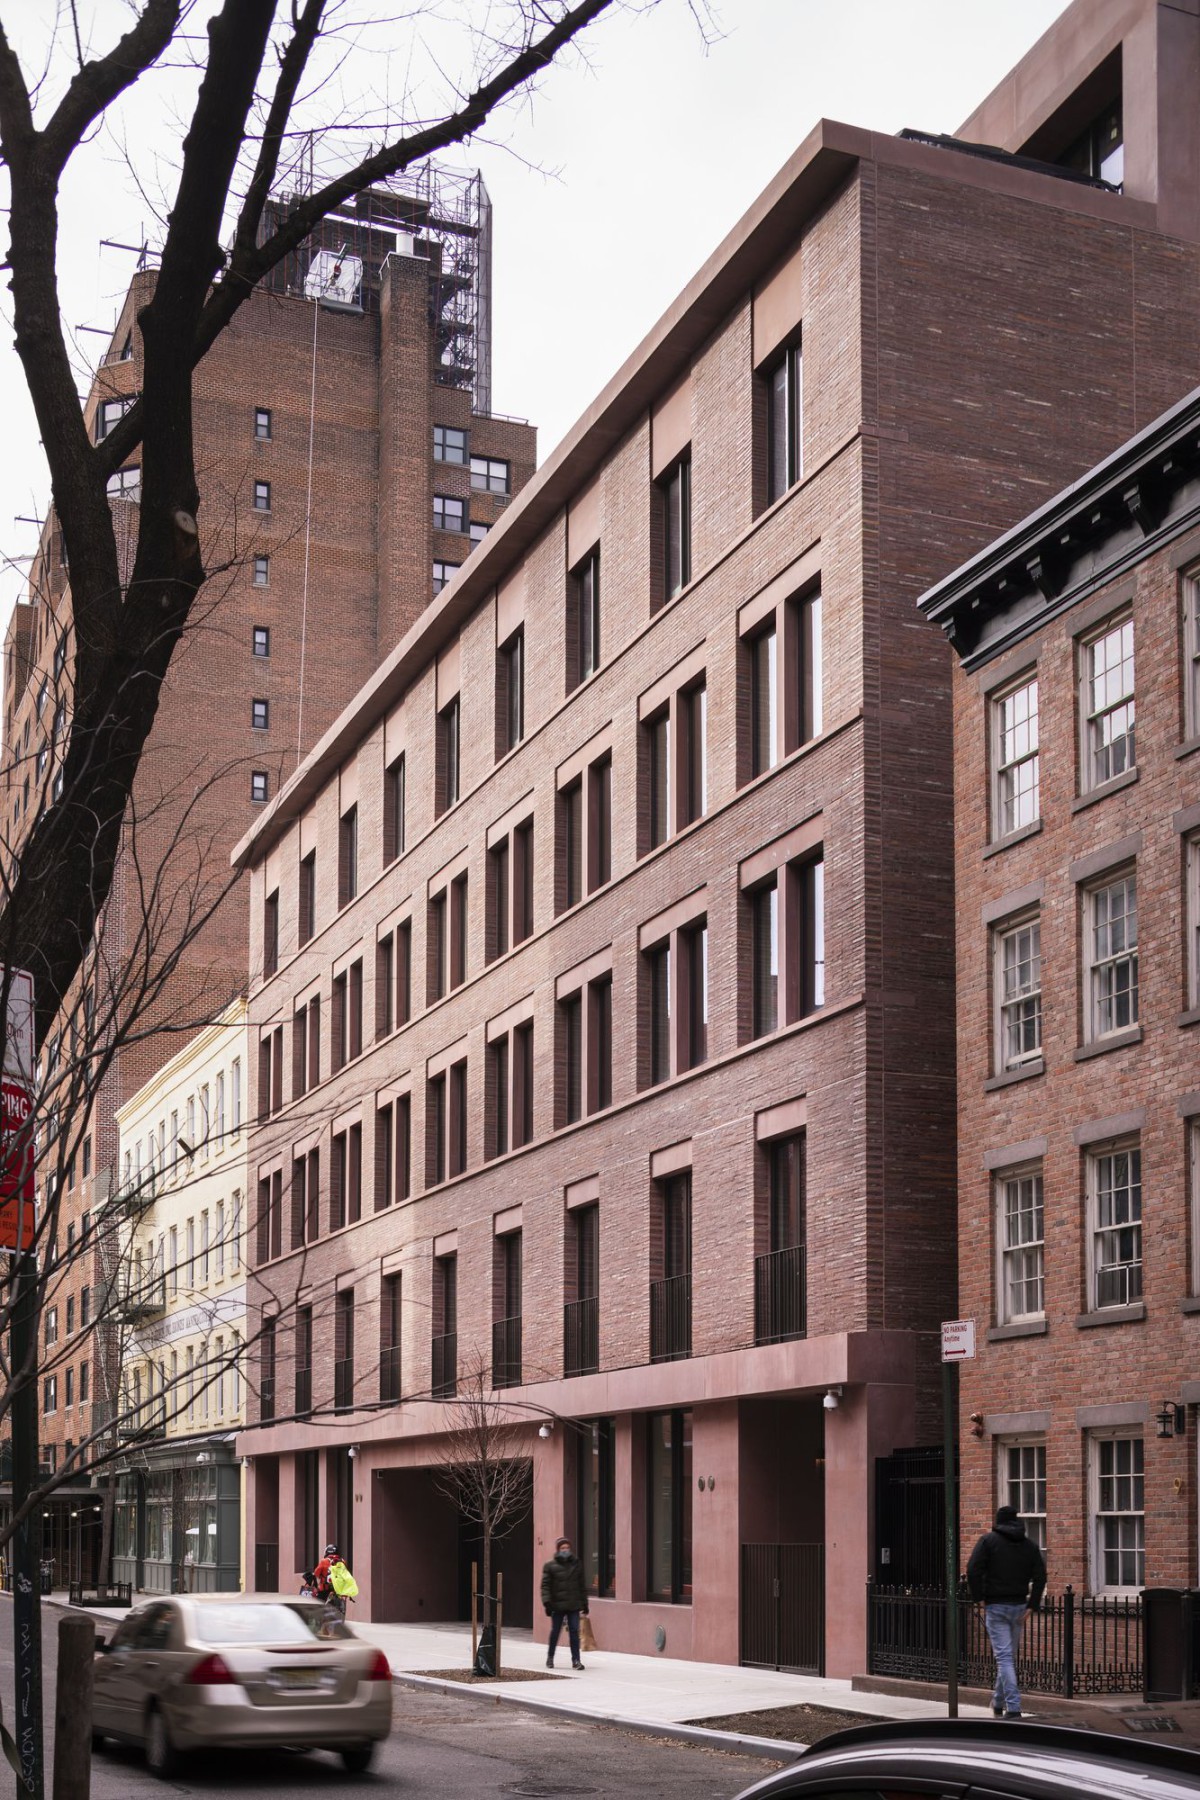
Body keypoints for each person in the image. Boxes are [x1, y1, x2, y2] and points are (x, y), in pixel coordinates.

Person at [966, 1504, 1046, 1719]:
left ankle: (1013, 1708)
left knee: (1004, 1659)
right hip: (1019, 1607)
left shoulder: (987, 1542)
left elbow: (972, 1570)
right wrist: (1032, 1605)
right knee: (1008, 1657)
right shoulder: (1029, 1545)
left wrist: (979, 1598)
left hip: (996, 1606)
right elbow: (1040, 1576)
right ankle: (998, 1702)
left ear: (998, 1520)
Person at [541, 1535, 588, 1671]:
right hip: (557, 1605)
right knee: (555, 1631)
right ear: (558, 1549)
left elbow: (581, 1585)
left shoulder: (576, 1563)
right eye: (562, 1548)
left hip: (573, 1604)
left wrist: (584, 1604)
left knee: (574, 1632)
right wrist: (547, 1603)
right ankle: (550, 1657)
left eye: (567, 1547)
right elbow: (545, 1585)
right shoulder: (550, 1566)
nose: (565, 1550)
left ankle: (576, 1660)